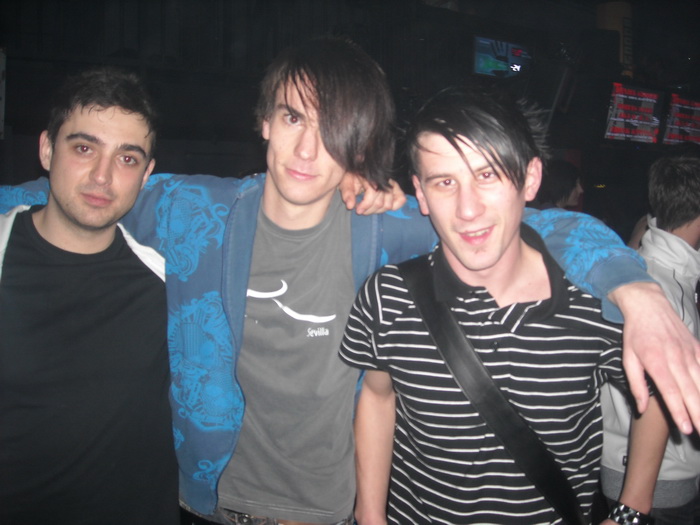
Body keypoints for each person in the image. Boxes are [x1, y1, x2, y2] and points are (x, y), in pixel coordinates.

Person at [1, 38, 699, 524]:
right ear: (264, 123)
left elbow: (532, 222)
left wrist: (637, 291)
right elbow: (71, 188)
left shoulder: (383, 227)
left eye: (332, 128)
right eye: (292, 117)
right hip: (201, 504)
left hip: (326, 512)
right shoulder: (191, 212)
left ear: (359, 143)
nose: (309, 148)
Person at [339, 86, 664, 524]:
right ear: (420, 193)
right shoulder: (388, 295)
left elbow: (656, 394)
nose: (468, 209)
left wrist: (631, 510)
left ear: (530, 179)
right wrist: (370, 514)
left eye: (488, 175)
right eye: (445, 182)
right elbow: (378, 397)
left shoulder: (595, 302)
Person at [0, 68, 178, 524]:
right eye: (84, 148)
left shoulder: (171, 283)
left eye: (127, 158)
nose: (103, 176)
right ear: (46, 149)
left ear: (147, 174)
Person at [601, 153, 700, 524]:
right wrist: (632, 511)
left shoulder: (650, 268)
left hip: (645, 477)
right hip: (655, 485)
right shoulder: (657, 288)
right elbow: (657, 394)